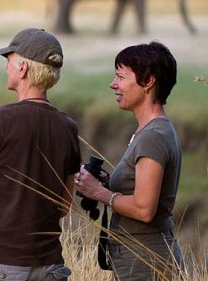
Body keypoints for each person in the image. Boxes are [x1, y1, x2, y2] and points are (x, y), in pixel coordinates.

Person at [0, 28, 80, 280]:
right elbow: (63, 206)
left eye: (8, 61)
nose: (6, 67)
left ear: (23, 69)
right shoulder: (68, 127)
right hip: (49, 264)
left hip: (0, 262)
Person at [75, 41, 182, 280]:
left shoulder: (152, 137)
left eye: (121, 77)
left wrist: (99, 193)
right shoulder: (151, 131)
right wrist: (106, 183)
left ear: (148, 82)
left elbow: (145, 209)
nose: (114, 84)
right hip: (138, 256)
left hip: (146, 261)